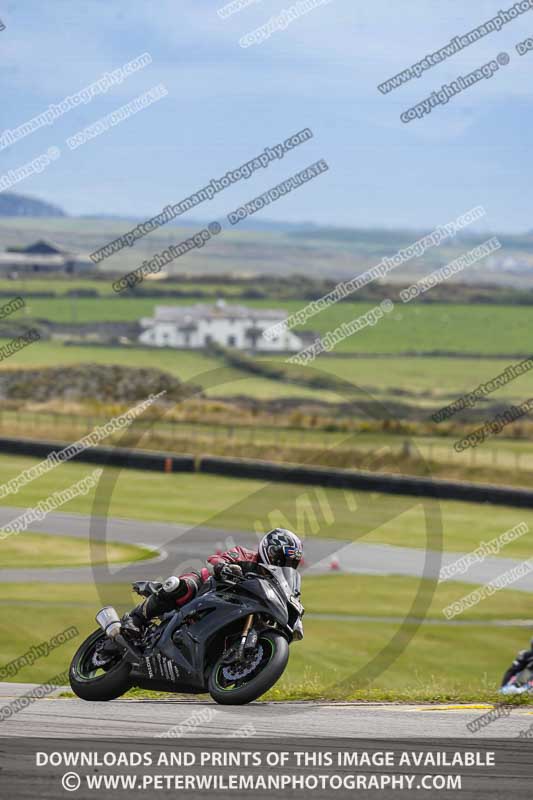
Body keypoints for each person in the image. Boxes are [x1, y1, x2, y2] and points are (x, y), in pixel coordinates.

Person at [122, 528, 303, 634]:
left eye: (290, 563)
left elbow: (291, 596)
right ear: (269, 551)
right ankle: (135, 618)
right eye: (281, 559)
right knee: (180, 586)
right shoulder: (246, 555)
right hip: (208, 587)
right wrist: (223, 566)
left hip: (237, 608)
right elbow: (217, 559)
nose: (284, 565)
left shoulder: (278, 583)